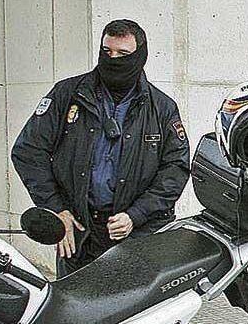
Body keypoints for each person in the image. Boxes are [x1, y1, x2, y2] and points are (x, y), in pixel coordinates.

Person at [11, 19, 189, 276]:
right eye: (107, 52)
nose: (113, 59)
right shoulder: (68, 94)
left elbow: (176, 169)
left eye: (123, 54)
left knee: (133, 313)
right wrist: (56, 208)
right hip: (79, 232)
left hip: (136, 236)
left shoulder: (161, 108)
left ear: (140, 57)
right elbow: (28, 152)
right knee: (75, 310)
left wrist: (136, 215)